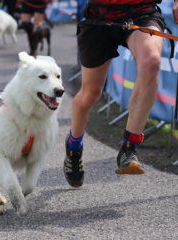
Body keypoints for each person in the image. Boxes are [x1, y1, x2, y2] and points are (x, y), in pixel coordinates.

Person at [63, 0, 178, 188]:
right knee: (90, 94)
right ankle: (73, 147)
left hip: (142, 12)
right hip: (99, 17)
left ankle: (129, 147)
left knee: (151, 62)